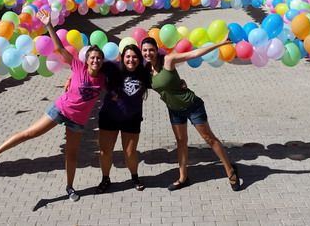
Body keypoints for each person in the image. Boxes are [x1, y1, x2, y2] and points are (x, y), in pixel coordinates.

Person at [0, 9, 106, 202]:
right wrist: (49, 24)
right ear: (87, 59)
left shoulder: (104, 79)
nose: (96, 60)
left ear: (102, 61)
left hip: (78, 121)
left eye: (99, 58)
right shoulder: (77, 66)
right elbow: (59, 48)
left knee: (72, 155)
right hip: (61, 109)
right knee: (30, 133)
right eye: (93, 57)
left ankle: (70, 188)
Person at [140, 37, 241, 191]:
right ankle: (183, 177)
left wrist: (220, 43)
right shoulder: (146, 71)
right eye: (145, 50)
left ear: (156, 49)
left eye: (151, 50)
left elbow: (194, 54)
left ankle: (230, 170)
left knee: (209, 138)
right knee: (181, 142)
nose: (148, 53)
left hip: (192, 106)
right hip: (174, 111)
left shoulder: (168, 60)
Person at [95, 44, 151, 193]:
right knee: (105, 151)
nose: (131, 60)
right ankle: (105, 178)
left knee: (130, 152)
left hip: (132, 119)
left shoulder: (144, 73)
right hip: (109, 117)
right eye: (128, 56)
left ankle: (135, 177)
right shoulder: (111, 68)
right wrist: (71, 78)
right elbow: (90, 67)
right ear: (122, 57)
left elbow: (162, 77)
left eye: (134, 57)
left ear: (139, 59)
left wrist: (180, 84)